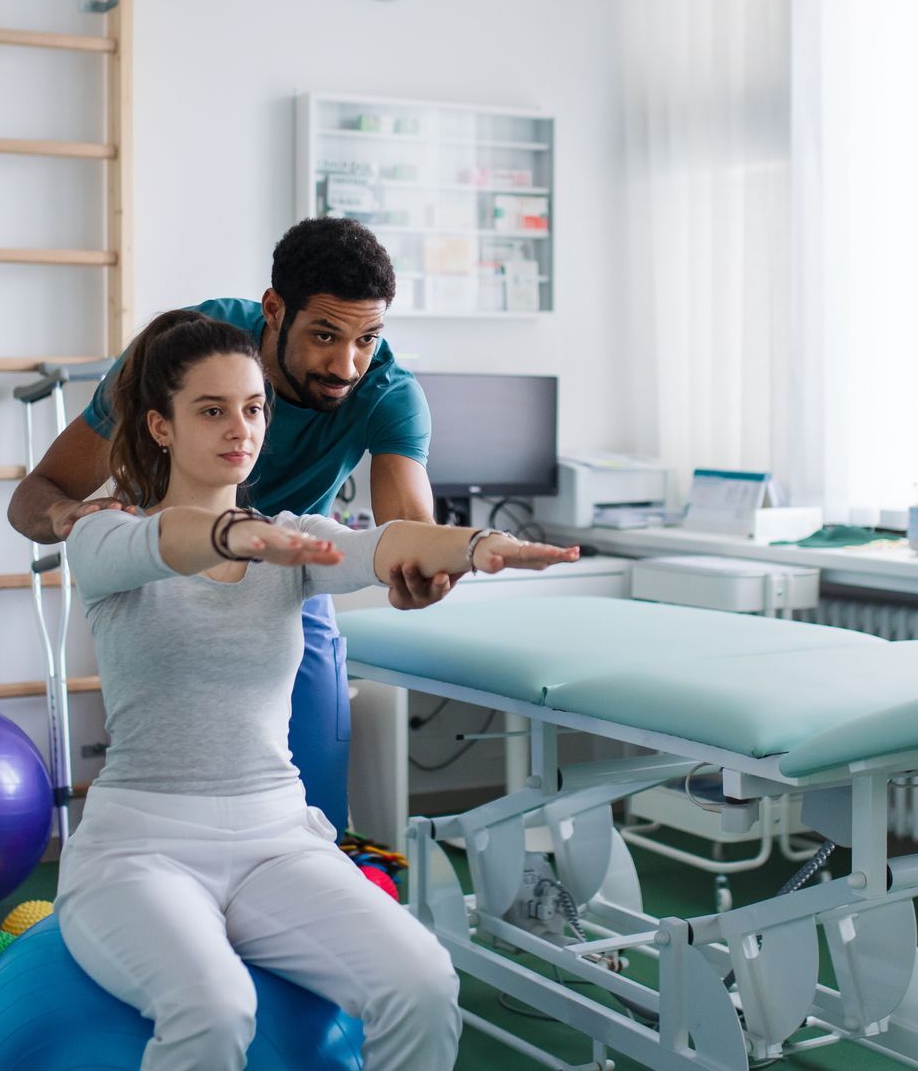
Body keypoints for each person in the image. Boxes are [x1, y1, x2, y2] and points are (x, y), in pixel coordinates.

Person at [59, 309, 577, 1070]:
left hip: (275, 838)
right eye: (211, 410)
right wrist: (234, 533)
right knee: (213, 1010)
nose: (241, 427)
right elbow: (167, 543)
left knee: (425, 982)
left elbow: (384, 544)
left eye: (253, 407)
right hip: (142, 846)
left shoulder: (292, 540)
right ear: (161, 427)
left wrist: (477, 547)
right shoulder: (104, 538)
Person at [9, 218, 448, 833]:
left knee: (314, 810)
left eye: (366, 339)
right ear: (274, 309)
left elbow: (410, 529)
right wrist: (68, 518)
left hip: (284, 579)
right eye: (325, 335)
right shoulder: (183, 353)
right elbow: (37, 494)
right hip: (159, 576)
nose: (346, 365)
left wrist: (420, 570)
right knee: (178, 799)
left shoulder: (387, 393)